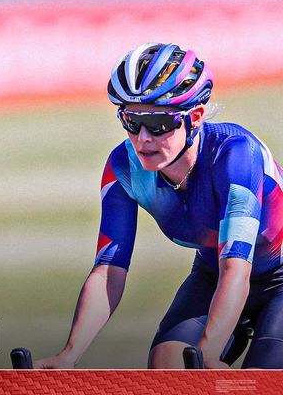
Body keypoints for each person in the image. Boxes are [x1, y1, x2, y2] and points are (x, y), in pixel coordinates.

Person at [35, 42, 283, 369]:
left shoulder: (235, 155)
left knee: (262, 379)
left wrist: (208, 352)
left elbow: (236, 267)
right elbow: (109, 270)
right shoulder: (124, 166)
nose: (143, 138)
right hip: (212, 275)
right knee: (168, 367)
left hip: (270, 277)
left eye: (159, 123)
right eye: (131, 120)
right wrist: (70, 354)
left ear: (194, 118)